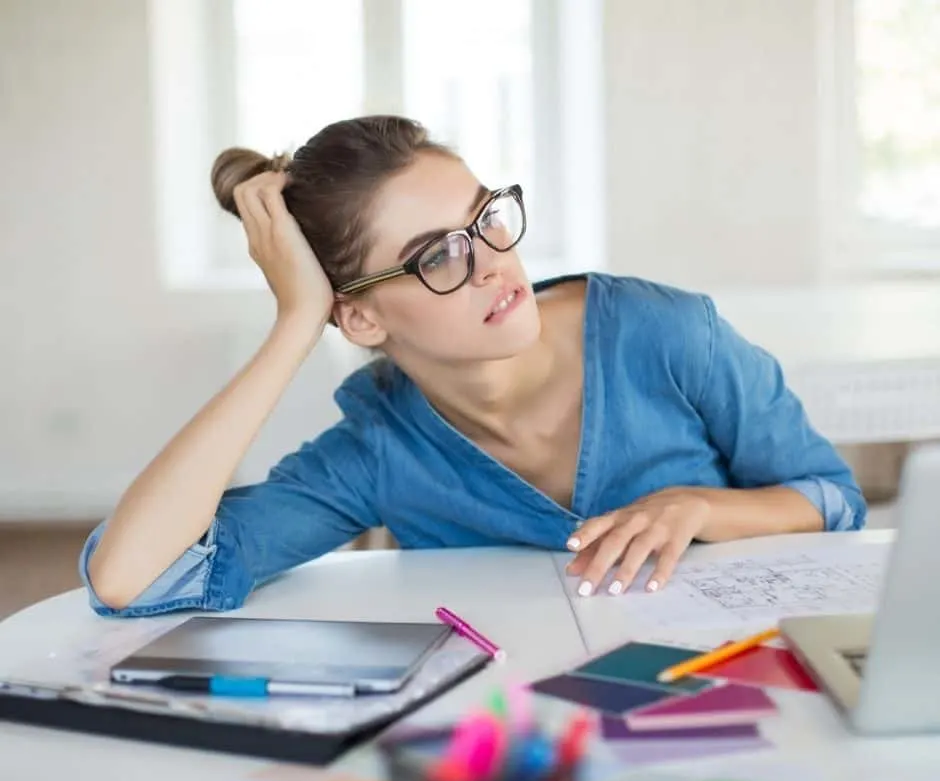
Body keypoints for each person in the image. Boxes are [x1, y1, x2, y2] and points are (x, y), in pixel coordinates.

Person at [79, 115, 866, 617]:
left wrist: (700, 508)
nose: (494, 262)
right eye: (439, 256)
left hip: (733, 695)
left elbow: (832, 499)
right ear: (359, 316)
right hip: (518, 735)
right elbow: (133, 578)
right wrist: (294, 324)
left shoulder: (665, 334)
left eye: (486, 218)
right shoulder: (378, 450)